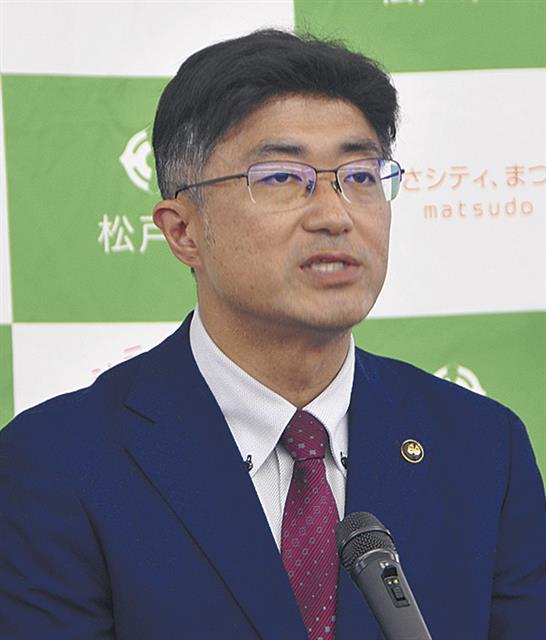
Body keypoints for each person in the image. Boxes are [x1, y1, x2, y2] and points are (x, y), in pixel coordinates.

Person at [1, 29, 545, 640]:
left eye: (360, 176)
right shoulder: (58, 464)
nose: (335, 215)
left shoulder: (482, 448)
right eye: (283, 177)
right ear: (183, 231)